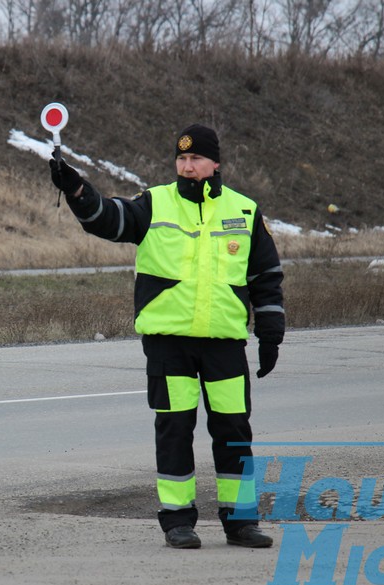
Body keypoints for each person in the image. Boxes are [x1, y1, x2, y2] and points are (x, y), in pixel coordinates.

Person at [48, 124, 284, 549]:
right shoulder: (155, 203)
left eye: (195, 159)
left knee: (234, 432)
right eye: (181, 159)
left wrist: (271, 336)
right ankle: (177, 521)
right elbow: (110, 220)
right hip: (168, 343)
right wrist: (78, 192)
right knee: (175, 430)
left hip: (225, 343)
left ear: (215, 163)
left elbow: (266, 278)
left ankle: (241, 522)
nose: (187, 166)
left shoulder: (244, 210)